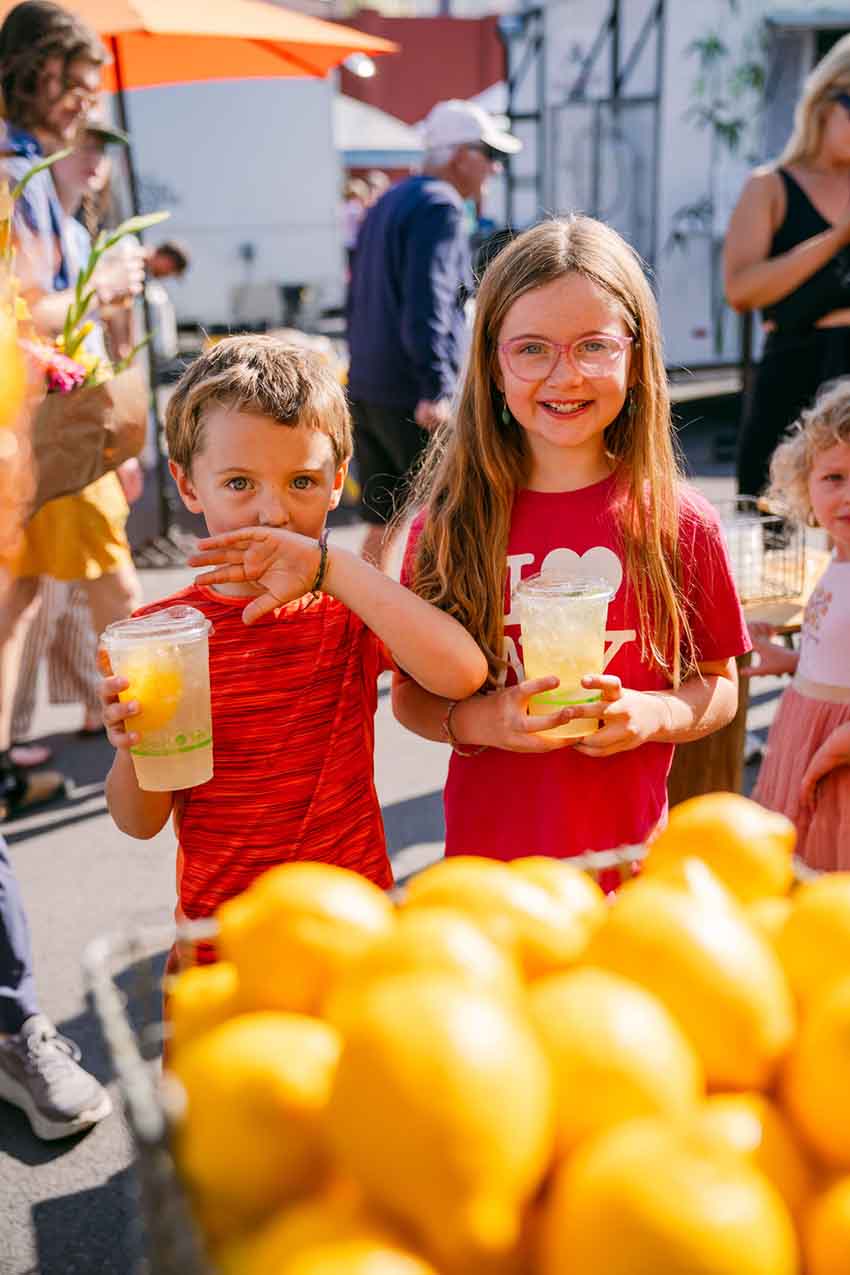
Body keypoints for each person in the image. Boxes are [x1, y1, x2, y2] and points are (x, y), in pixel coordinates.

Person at [99, 337, 486, 934]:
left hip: (352, 926)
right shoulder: (162, 639)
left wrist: (338, 572)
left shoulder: (348, 606)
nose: (273, 514)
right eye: (239, 484)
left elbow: (461, 673)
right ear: (188, 484)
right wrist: (131, 746)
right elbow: (140, 821)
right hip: (224, 936)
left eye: (301, 482)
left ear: (337, 483)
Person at [391, 215, 750, 859]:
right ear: (493, 367)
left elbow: (718, 683)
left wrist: (655, 714)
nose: (565, 376)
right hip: (486, 878)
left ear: (636, 359)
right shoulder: (446, 528)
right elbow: (412, 701)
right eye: (531, 349)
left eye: (593, 346)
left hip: (627, 868)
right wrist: (486, 722)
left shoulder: (683, 522)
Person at [0, 1, 144, 819]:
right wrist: (104, 288)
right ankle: (166, 728)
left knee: (16, 593)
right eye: (82, 88)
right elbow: (18, 313)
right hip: (39, 411)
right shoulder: (11, 173)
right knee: (112, 582)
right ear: (40, 73)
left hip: (38, 411)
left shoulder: (28, 166)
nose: (90, 106)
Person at [346, 99, 521, 569]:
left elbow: (363, 294)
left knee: (385, 520)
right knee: (448, 515)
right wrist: (435, 386)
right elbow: (430, 300)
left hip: (368, 384)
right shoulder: (441, 205)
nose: (494, 170)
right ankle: (425, 629)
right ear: (461, 155)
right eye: (491, 156)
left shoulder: (389, 201)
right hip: (413, 392)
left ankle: (367, 630)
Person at [724, 34, 850, 503]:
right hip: (797, 361)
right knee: (774, 523)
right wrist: (836, 238)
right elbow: (740, 289)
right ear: (823, 102)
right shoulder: (771, 186)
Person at [745, 379, 850, 869]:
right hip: (805, 730)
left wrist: (834, 747)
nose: (848, 496)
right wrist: (788, 661)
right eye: (834, 478)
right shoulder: (837, 557)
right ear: (805, 483)